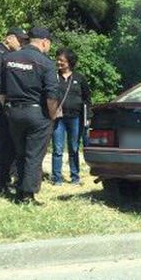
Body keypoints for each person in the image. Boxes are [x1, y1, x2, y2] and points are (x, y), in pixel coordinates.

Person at [0, 27, 59, 204]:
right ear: (44, 42)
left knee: (20, 152)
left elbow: (1, 90)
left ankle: (18, 189)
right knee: (34, 155)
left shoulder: (8, 59)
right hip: (36, 113)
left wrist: (8, 110)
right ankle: (27, 195)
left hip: (13, 112)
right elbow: (51, 95)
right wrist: (52, 116)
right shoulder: (46, 63)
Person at [0, 27, 28, 194]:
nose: (21, 44)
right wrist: (4, 99)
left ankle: (7, 178)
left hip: (3, 106)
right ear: (9, 38)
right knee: (0, 144)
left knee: (7, 144)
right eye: (19, 40)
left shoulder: (10, 56)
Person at [51, 48, 91, 186]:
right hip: (58, 119)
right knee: (57, 148)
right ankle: (56, 178)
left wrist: (88, 117)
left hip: (75, 118)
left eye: (62, 60)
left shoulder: (79, 78)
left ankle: (75, 176)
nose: (59, 62)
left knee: (74, 148)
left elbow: (87, 98)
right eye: (58, 59)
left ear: (70, 62)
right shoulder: (53, 77)